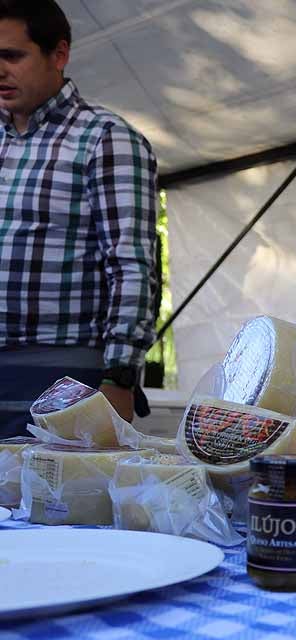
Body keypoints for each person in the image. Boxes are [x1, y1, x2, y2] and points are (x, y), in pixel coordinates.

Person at [0, 0, 158, 438]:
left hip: (61, 373)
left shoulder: (106, 139)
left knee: (49, 504)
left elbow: (132, 265)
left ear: (59, 54)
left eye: (11, 56)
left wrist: (120, 375)